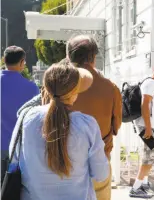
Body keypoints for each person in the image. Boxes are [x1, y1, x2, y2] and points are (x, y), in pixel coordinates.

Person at [15, 35, 122, 200]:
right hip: (93, 173)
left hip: (39, 182)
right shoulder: (110, 89)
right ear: (94, 57)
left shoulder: (32, 112)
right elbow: (115, 127)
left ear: (68, 56)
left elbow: (18, 159)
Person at [129, 64, 154, 198]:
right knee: (150, 157)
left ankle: (144, 184)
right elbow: (145, 104)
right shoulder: (151, 83)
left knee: (150, 156)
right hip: (147, 126)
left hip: (149, 125)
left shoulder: (151, 84)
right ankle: (136, 188)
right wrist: (147, 127)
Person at [1, 46, 39, 183]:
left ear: (4, 60)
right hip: (19, 147)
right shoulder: (31, 88)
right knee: (13, 189)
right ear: (22, 62)